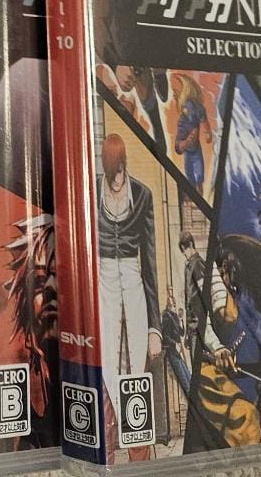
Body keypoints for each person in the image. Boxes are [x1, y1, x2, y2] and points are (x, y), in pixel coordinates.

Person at [95, 134, 160, 433]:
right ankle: (112, 430)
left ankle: (136, 431)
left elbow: (150, 263)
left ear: (125, 164)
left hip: (134, 281)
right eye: (112, 174)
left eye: (120, 171)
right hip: (103, 280)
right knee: (107, 361)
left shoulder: (143, 195)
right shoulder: (91, 192)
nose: (117, 180)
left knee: (137, 362)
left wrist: (154, 328)